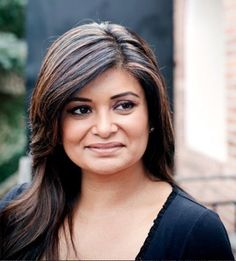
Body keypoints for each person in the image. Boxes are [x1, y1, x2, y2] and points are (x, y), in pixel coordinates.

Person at [0, 22, 234, 260]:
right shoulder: (17, 213)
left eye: (124, 106)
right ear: (55, 124)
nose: (104, 128)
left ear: (151, 115)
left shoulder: (196, 232)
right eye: (80, 110)